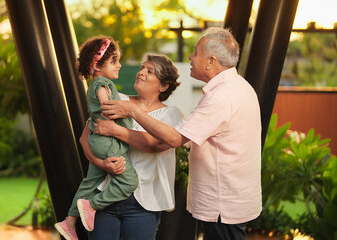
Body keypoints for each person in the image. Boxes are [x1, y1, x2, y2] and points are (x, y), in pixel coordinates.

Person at [101, 27, 262, 240]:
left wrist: (132, 111)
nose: (190, 57)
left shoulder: (221, 97)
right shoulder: (238, 87)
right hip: (231, 199)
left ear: (211, 61)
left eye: (195, 52)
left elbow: (174, 139)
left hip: (223, 203)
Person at [82, 54, 183, 240]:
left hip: (144, 205)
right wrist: (100, 163)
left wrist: (114, 130)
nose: (141, 72)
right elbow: (85, 137)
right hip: (103, 195)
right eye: (142, 68)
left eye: (149, 71)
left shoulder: (171, 114)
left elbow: (155, 144)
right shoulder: (117, 99)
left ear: (163, 86)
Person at [54, 36, 139, 240]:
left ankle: (70, 222)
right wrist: (130, 111)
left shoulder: (96, 83)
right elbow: (108, 109)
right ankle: (91, 205)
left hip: (97, 142)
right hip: (108, 143)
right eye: (114, 61)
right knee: (129, 182)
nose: (119, 65)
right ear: (97, 65)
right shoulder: (103, 83)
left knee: (89, 183)